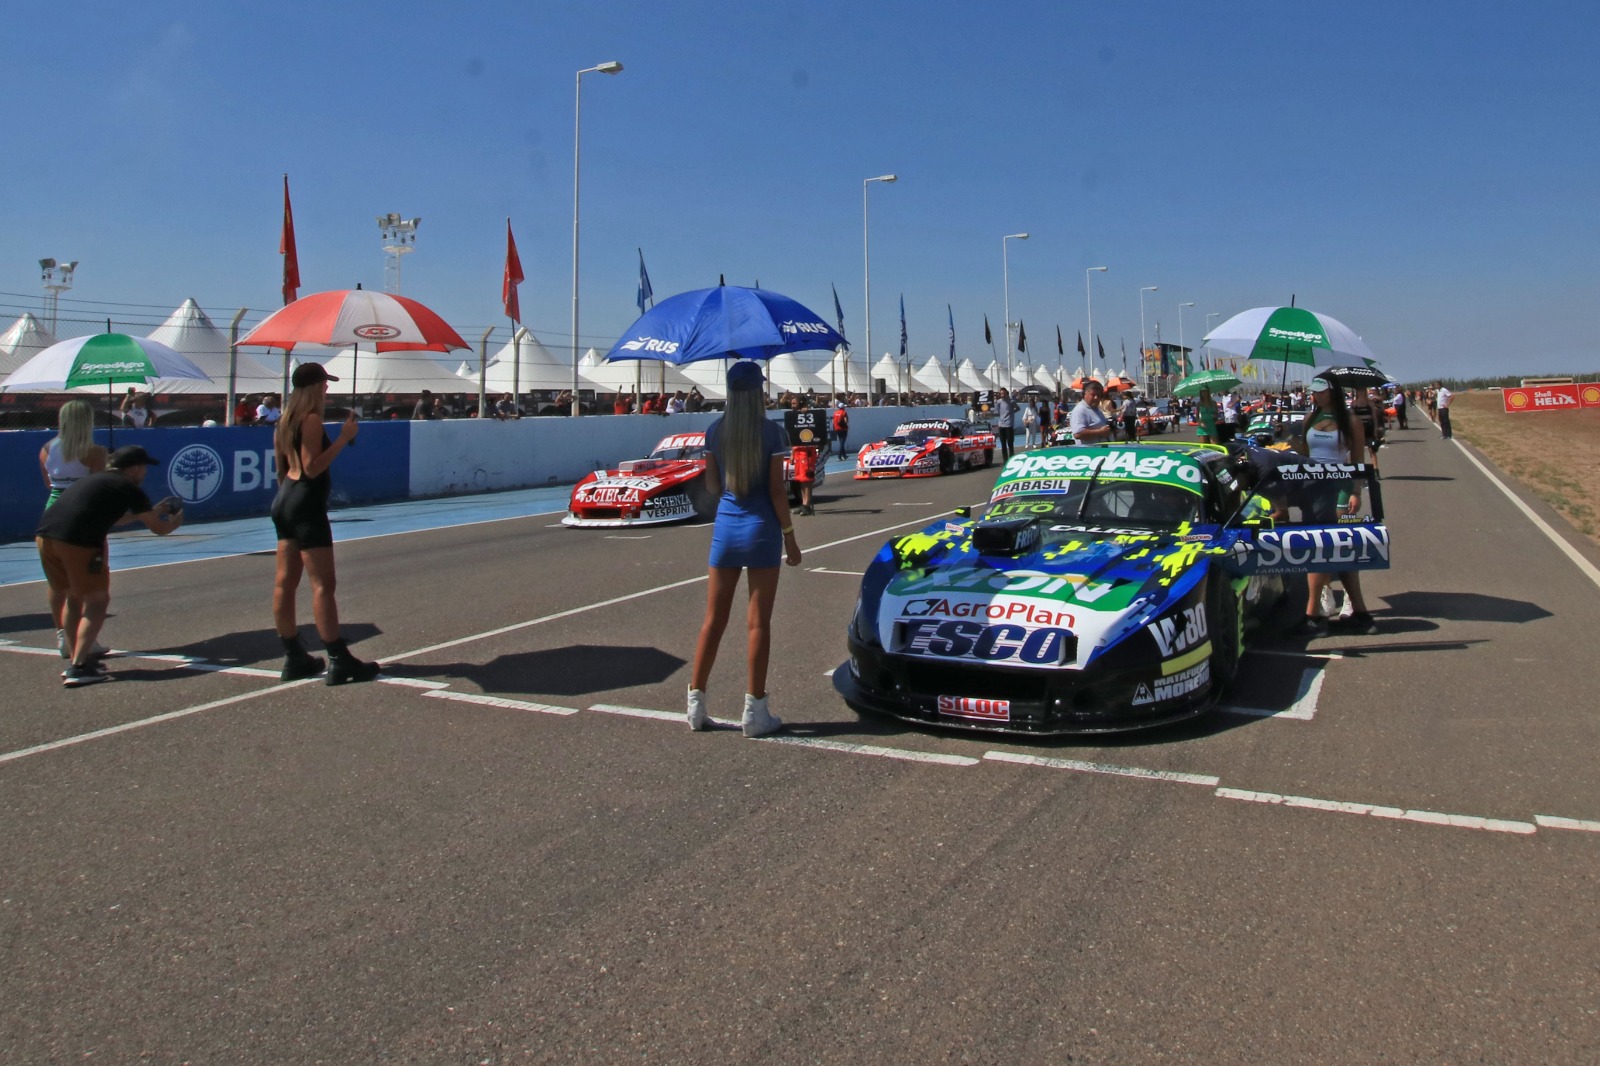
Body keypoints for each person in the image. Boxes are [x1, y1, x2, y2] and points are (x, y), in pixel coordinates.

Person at [687, 360, 801, 737]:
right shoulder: (771, 433)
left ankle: (695, 704)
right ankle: (755, 710)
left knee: (712, 620)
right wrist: (789, 535)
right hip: (762, 529)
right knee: (757, 623)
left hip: (726, 527)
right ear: (756, 392)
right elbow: (775, 492)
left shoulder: (715, 431)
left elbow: (713, 487)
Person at [36, 445, 184, 687]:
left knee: (74, 597)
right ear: (134, 468)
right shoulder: (129, 488)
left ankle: (77, 657)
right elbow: (159, 528)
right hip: (77, 542)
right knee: (97, 600)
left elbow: (112, 517)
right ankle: (79, 667)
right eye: (144, 467)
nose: (145, 472)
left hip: (45, 536)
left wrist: (144, 514)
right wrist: (176, 521)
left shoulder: (96, 481)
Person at [270, 363, 380, 685]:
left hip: (284, 499)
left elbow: (282, 468)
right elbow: (312, 467)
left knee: (284, 583)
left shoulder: (283, 421)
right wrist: (344, 438)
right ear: (315, 387)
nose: (327, 389)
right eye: (324, 384)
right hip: (305, 501)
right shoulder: (311, 420)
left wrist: (287, 502)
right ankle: (337, 656)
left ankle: (293, 655)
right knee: (323, 585)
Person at [1287, 376, 1375, 637]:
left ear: (1333, 392)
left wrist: (1356, 491)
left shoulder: (1351, 421)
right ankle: (1359, 614)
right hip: (1312, 488)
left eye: (1321, 391)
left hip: (1339, 487)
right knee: (1325, 549)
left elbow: (1358, 457)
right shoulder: (1309, 419)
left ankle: (1313, 617)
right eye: (1313, 392)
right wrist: (1289, 440)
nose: (1316, 396)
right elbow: (1305, 452)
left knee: (1327, 548)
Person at [38, 400, 112, 661]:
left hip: (52, 512)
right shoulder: (94, 452)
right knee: (90, 583)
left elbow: (51, 485)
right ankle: (82, 640)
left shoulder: (47, 449)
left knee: (58, 583)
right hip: (82, 517)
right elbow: (98, 489)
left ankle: (62, 635)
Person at [1069, 380, 1113, 445]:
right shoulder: (1080, 410)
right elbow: (1078, 434)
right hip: (1089, 452)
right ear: (1084, 394)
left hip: (1100, 451)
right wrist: (1100, 432)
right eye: (1093, 395)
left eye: (1099, 395)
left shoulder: (1096, 409)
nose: (1096, 398)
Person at [993, 388, 1017, 461]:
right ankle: (1005, 460)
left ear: (1006, 393)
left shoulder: (1011, 401)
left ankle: (1012, 459)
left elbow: (1017, 408)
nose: (1002, 395)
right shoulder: (998, 402)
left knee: (1010, 443)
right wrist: (989, 414)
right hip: (1001, 425)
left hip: (1009, 424)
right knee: (1003, 444)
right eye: (1001, 393)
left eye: (1003, 393)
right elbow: (996, 412)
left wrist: (1012, 413)